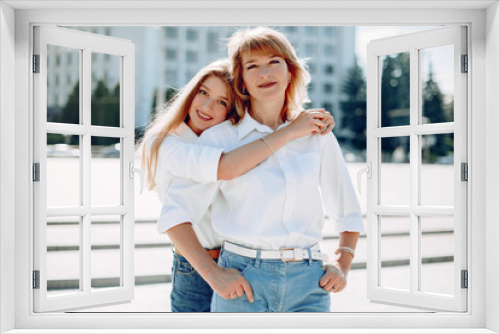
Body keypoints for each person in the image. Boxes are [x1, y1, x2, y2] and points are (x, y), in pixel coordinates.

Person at [160, 26, 364, 313]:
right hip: (244, 281)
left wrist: (343, 263)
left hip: (309, 284)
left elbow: (347, 208)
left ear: (290, 72)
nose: (264, 73)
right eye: (252, 66)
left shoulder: (317, 134)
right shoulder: (220, 138)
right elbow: (175, 213)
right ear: (241, 81)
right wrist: (213, 274)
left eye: (273, 62)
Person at [138, 59, 335, 312]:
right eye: (203, 92)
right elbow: (224, 168)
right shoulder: (169, 143)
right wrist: (290, 132)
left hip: (242, 263)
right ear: (191, 93)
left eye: (222, 102)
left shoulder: (230, 139)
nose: (208, 106)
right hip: (198, 265)